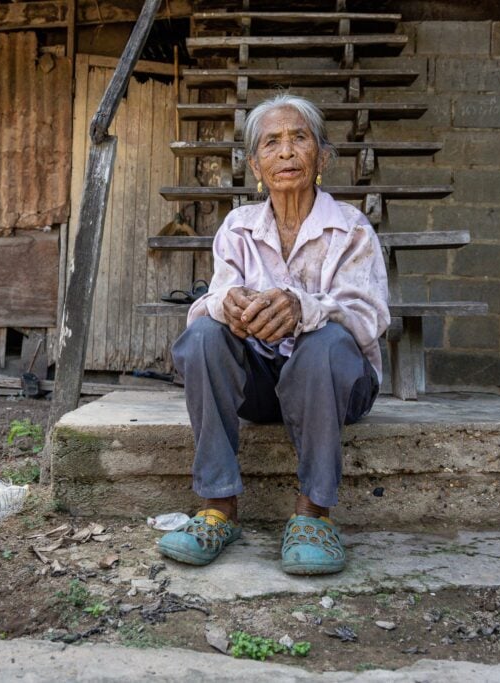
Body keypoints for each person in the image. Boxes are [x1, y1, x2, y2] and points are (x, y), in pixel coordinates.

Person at [157, 93, 390, 575]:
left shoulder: (350, 229)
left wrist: (304, 308)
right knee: (203, 334)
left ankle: (314, 514)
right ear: (256, 166)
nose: (286, 152)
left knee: (323, 342)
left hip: (339, 386)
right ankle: (218, 507)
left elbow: (369, 318)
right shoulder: (239, 228)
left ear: (321, 157)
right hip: (264, 389)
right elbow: (214, 298)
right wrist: (230, 307)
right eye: (272, 143)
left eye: (299, 138)